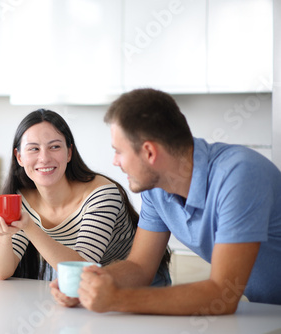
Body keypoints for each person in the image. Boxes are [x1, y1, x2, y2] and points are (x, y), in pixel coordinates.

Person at [51, 88, 281, 315]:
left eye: (118, 151)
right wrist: (90, 284)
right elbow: (140, 267)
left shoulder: (239, 175)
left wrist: (118, 299)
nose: (115, 162)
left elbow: (222, 294)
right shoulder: (156, 189)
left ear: (149, 153)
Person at [0, 109, 170, 284]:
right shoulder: (20, 200)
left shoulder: (102, 194)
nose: (44, 158)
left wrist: (29, 227)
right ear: (19, 158)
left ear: (69, 153)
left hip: (137, 284)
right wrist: (3, 234)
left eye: (55, 146)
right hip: (89, 287)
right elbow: (2, 272)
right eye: (34, 148)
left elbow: (82, 267)